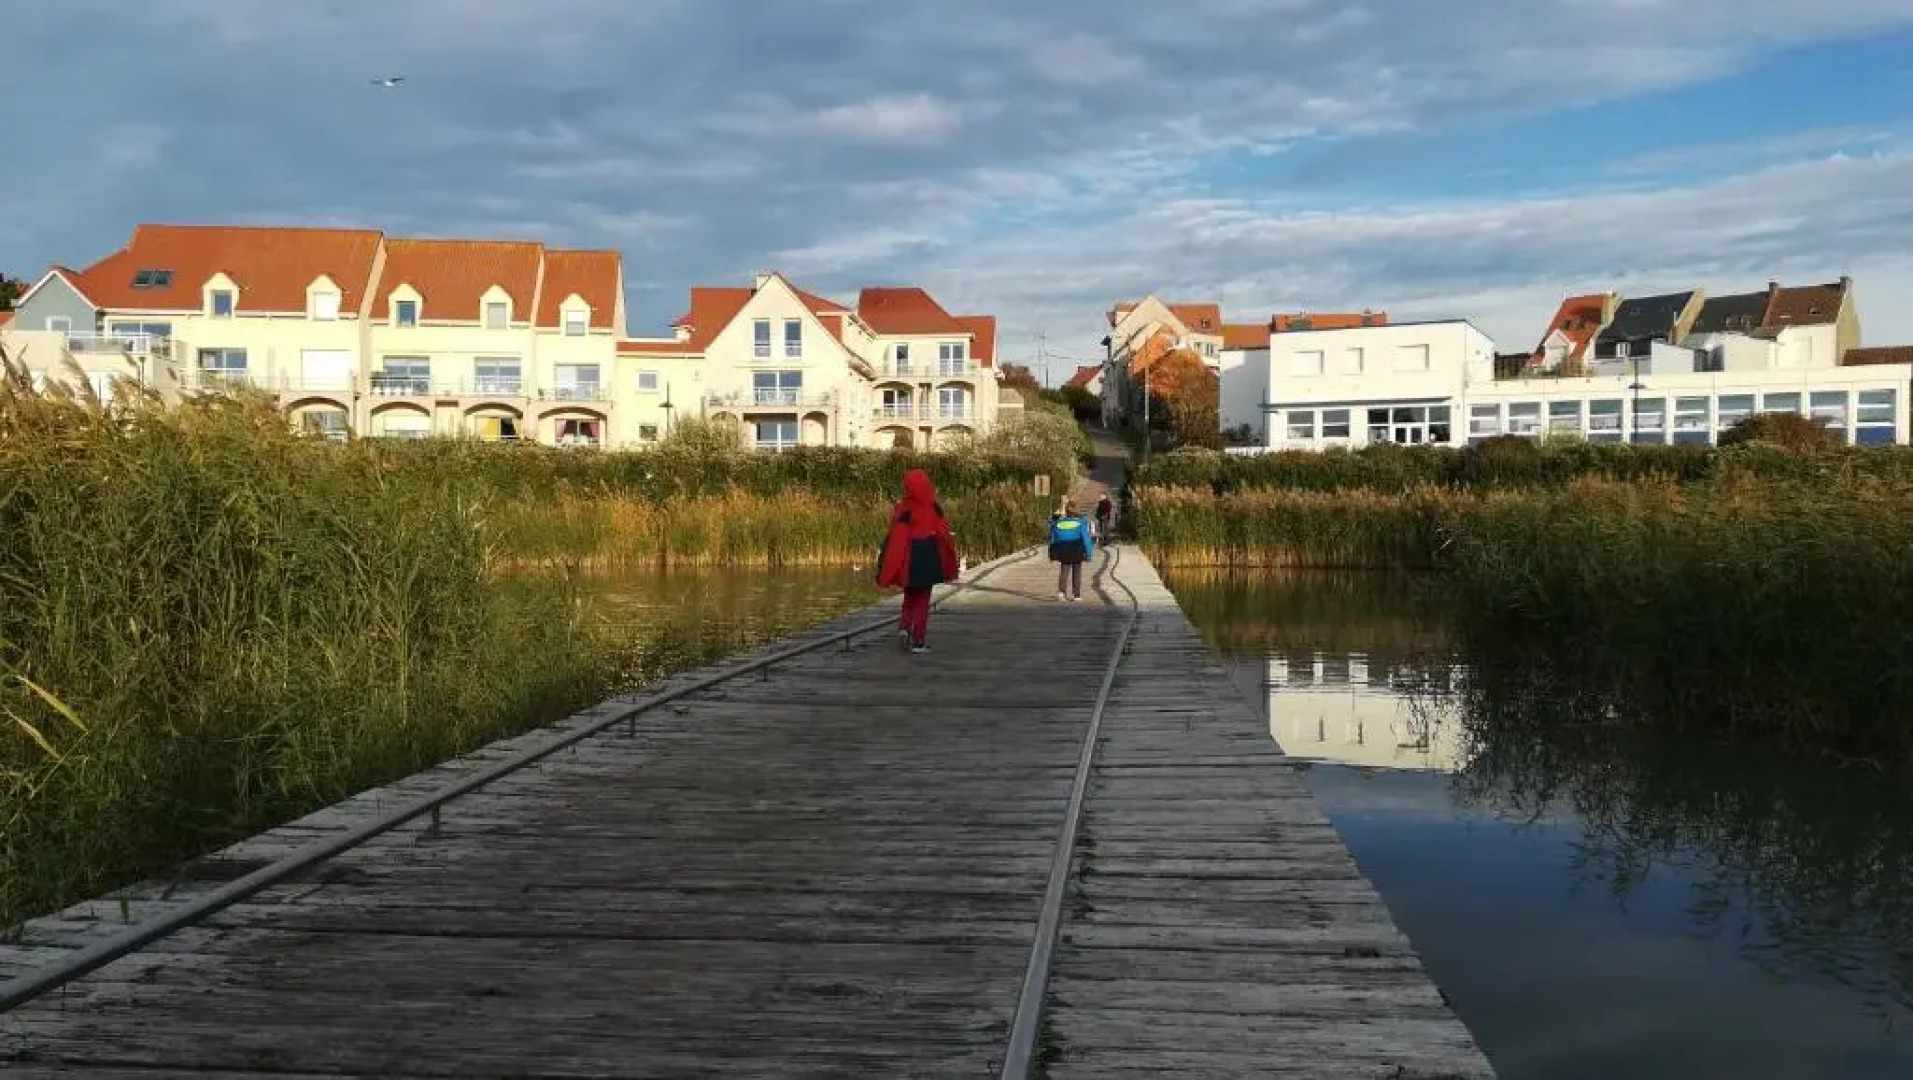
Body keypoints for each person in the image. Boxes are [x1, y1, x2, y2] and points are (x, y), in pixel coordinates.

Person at [875, 469, 959, 654]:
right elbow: (943, 533)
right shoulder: (933, 507)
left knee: (909, 598)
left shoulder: (903, 508)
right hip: (928, 554)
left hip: (910, 557)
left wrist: (888, 567)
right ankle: (918, 641)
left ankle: (904, 628)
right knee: (923, 601)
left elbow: (897, 537)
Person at [1048, 497, 1095, 603]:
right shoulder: (1081, 523)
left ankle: (1061, 593)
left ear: (1067, 512)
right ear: (1076, 512)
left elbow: (1052, 538)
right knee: (1077, 572)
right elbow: (1086, 540)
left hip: (1063, 550)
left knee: (1064, 570)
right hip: (1076, 550)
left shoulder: (1058, 523)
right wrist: (1088, 555)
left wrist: (1051, 554)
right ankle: (1076, 595)